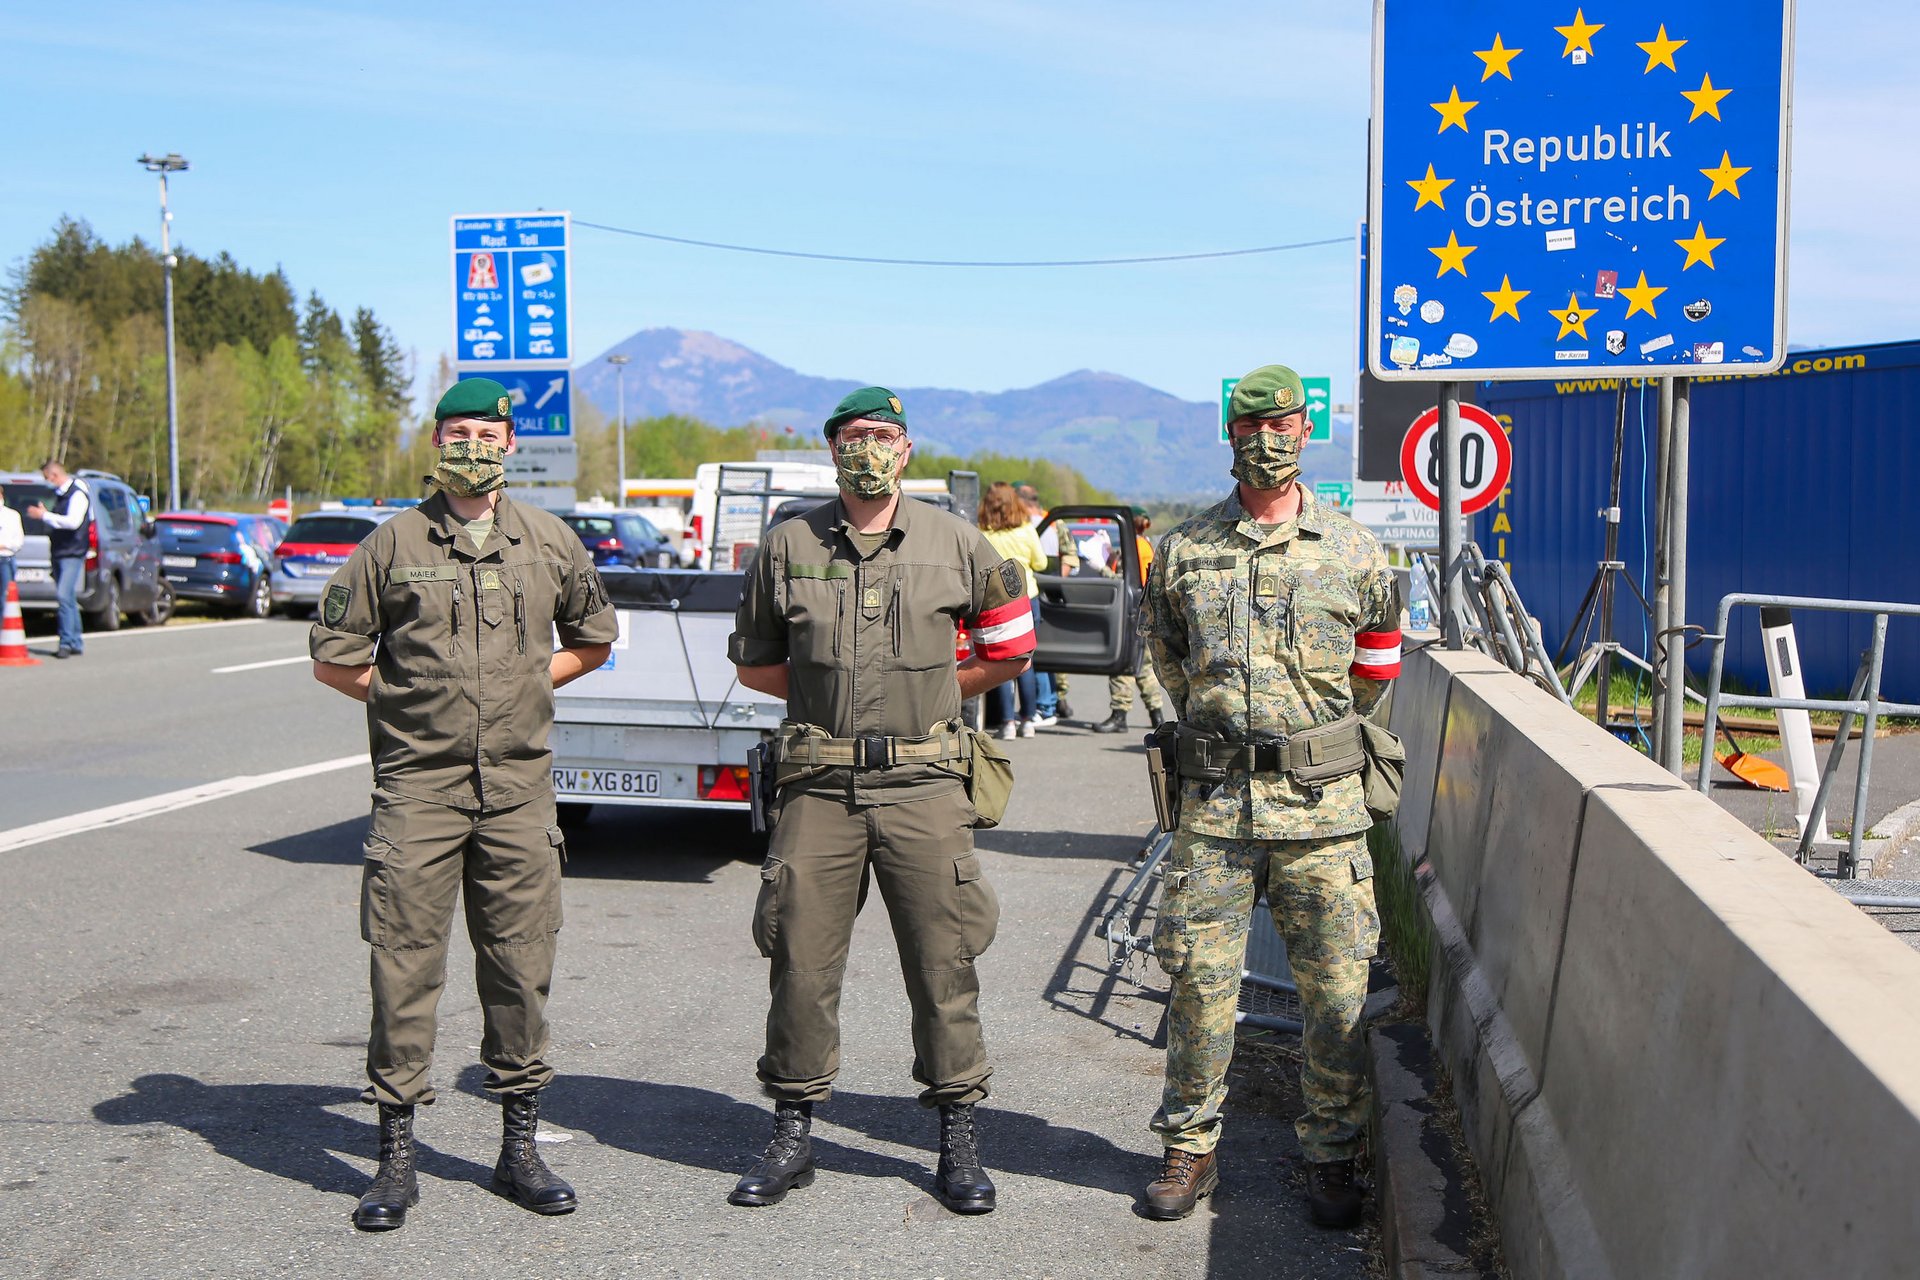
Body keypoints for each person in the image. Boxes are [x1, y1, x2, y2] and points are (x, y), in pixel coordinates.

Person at [309, 376, 617, 1231]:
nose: (473, 445)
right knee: (404, 966)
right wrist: (407, 705)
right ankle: (395, 1159)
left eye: (488, 432)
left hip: (518, 790)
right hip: (420, 790)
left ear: (510, 443)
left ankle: (518, 1149)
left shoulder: (549, 541)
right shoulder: (392, 544)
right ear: (436, 441)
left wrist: (524, 684)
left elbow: (592, 642)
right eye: (458, 431)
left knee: (520, 967)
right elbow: (335, 658)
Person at [728, 386, 1033, 1215]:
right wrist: (829, 708)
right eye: (855, 436)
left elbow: (1011, 646)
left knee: (944, 962)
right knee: (800, 959)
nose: (869, 448)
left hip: (924, 786)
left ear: (907, 449)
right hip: (819, 788)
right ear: (833, 450)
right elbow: (756, 663)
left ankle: (958, 1137)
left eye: (884, 436)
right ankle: (794, 1132)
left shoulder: (954, 540)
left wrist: (935, 700)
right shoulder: (790, 543)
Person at [1139, 364, 1401, 1228]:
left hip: (1322, 811)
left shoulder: (1360, 551)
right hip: (1214, 811)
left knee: (1336, 995)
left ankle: (1330, 1153)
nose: (1267, 436)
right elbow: (1164, 658)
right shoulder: (1184, 549)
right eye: (1250, 424)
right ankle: (1190, 1147)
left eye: (1283, 420)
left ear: (1304, 429)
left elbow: (1378, 668)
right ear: (1231, 435)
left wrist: (1307, 742)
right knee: (1200, 986)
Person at [977, 481, 1050, 738]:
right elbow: (1040, 563)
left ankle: (1007, 722)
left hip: (997, 603)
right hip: (1028, 599)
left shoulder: (983, 533)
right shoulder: (1026, 529)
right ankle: (1028, 719)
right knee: (1026, 660)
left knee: (999, 660)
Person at [1093, 505, 1167, 734]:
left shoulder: (1132, 545)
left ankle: (1119, 714)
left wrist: (1101, 569)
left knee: (1122, 663)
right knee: (1144, 666)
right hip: (1146, 609)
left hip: (1130, 611)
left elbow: (1124, 579)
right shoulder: (1145, 544)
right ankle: (1157, 715)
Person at [24, 461, 91, 658]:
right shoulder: (61, 495)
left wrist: (45, 516)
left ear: (53, 475)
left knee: (63, 596)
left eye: (47, 478)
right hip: (59, 551)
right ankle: (76, 641)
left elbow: (73, 522)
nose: (47, 483)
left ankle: (66, 642)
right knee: (68, 597)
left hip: (72, 552)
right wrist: (46, 516)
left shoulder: (77, 494)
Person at [1015, 483, 1069, 720]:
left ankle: (1045, 705)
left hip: (1033, 592)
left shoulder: (1023, 526)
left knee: (1031, 655)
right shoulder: (1056, 523)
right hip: (1053, 592)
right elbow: (1068, 558)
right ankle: (1053, 701)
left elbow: (1038, 563)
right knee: (1048, 653)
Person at [0, 483, 22, 602]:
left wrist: (4, 546)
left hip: (5, 560)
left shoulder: (12, 516)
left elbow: (18, 542)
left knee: (5, 597)